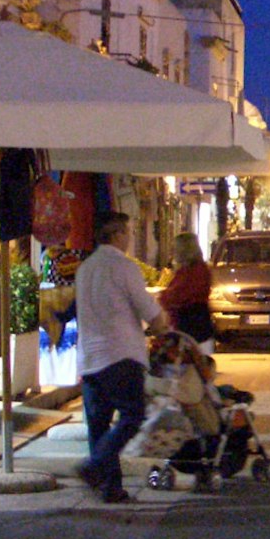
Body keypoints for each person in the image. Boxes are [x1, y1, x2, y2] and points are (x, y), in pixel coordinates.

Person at [75, 211, 168, 504]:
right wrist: (161, 324)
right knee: (132, 415)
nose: (129, 238)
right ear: (117, 235)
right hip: (119, 354)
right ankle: (95, 466)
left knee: (99, 425)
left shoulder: (85, 268)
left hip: (89, 358)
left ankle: (110, 487)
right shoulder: (124, 267)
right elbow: (148, 309)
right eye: (127, 232)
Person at [158, 232, 216, 354]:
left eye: (175, 248)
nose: (173, 252)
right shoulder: (186, 270)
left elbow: (180, 295)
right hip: (186, 326)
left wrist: (165, 296)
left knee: (194, 366)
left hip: (193, 326)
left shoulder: (196, 271)